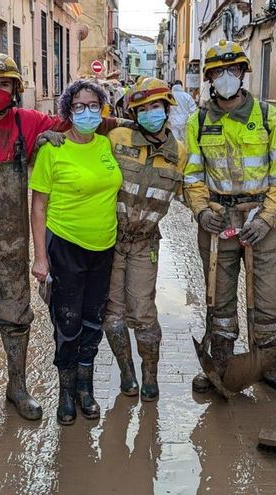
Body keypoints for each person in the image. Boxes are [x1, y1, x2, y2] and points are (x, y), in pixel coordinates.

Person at [0, 51, 124, 422]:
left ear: (16, 89)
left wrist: (124, 124)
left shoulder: (27, 122)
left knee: (16, 317)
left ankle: (16, 388)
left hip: (13, 241)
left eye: (5, 84)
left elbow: (79, 123)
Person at [184, 39, 276, 398]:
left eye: (232, 70)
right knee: (217, 300)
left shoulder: (268, 118)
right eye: (218, 72)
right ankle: (220, 363)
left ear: (243, 74)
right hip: (218, 223)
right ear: (209, 79)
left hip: (260, 221)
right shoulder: (198, 121)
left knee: (267, 299)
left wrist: (266, 220)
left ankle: (266, 365)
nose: (226, 77)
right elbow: (192, 176)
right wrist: (202, 211)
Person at [29, 79, 123, 425]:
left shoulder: (106, 144)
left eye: (93, 105)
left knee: (92, 321)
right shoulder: (53, 150)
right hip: (66, 247)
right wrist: (40, 258)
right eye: (78, 106)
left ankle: (86, 389)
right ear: (67, 111)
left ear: (103, 109)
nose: (86, 111)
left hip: (104, 248)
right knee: (66, 324)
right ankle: (66, 394)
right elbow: (38, 207)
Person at [103, 78, 187, 402]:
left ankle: (150, 374)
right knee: (111, 314)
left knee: (142, 313)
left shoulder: (178, 154)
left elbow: (190, 192)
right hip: (110, 239)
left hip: (145, 243)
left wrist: (208, 212)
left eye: (156, 107)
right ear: (134, 113)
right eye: (143, 109)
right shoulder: (117, 138)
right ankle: (127, 373)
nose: (151, 113)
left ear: (167, 109)